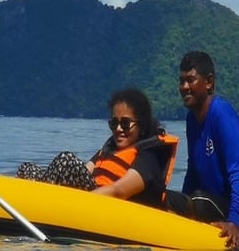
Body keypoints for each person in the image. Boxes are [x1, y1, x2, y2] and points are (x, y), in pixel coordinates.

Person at [165, 50, 239, 250]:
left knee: (199, 199)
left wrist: (234, 222)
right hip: (209, 203)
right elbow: (193, 171)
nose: (184, 87)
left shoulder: (221, 114)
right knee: (163, 196)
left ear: (208, 82)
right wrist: (181, 205)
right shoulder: (192, 119)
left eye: (191, 80)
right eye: (181, 81)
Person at [16, 88, 178, 207]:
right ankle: (29, 204)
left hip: (106, 205)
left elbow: (119, 190)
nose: (119, 129)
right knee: (27, 169)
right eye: (114, 123)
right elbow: (84, 171)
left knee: (65, 160)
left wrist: (77, 203)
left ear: (141, 126)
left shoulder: (148, 156)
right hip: (90, 197)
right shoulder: (109, 149)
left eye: (126, 123)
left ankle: (39, 206)